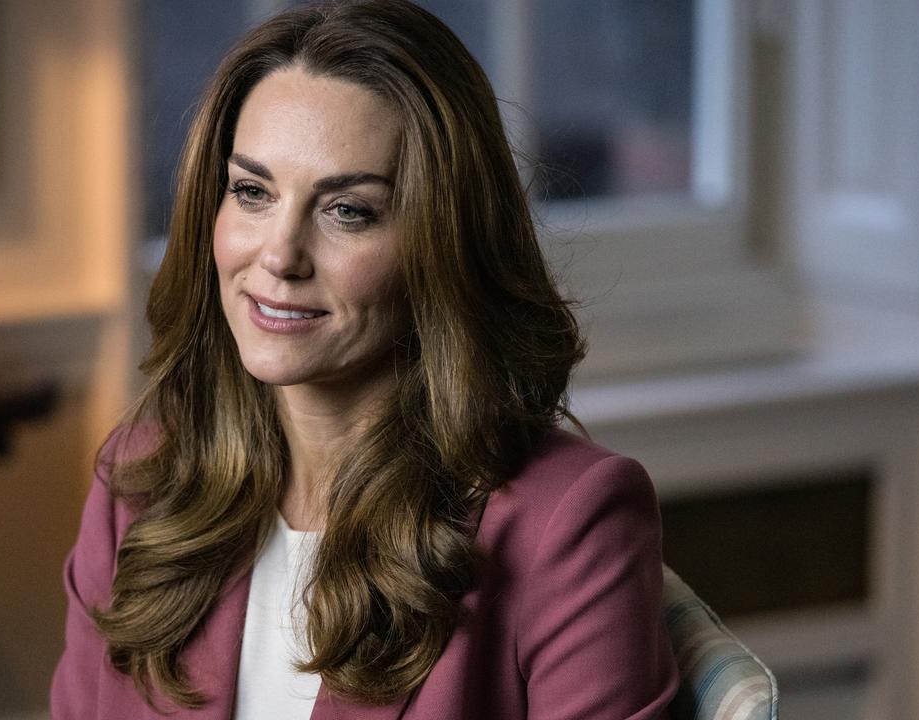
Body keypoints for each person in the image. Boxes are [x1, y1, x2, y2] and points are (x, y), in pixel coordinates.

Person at [51, 1, 679, 718]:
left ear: (443, 244)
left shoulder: (569, 523)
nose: (280, 255)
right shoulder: (138, 488)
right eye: (252, 193)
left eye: (347, 210)